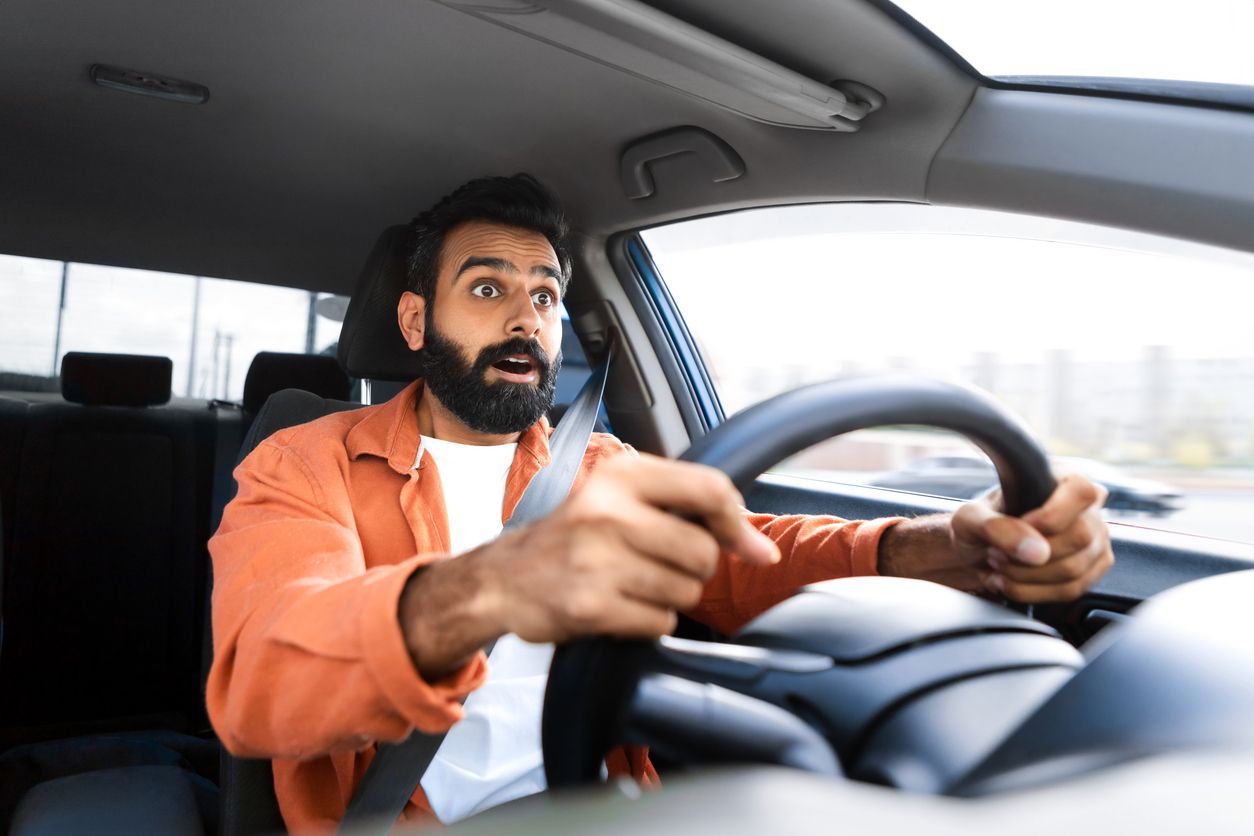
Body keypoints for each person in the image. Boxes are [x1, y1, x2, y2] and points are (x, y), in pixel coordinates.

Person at [207, 174, 1113, 832]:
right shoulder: (304, 461)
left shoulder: (596, 462)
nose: (527, 319)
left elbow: (755, 551)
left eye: (546, 296)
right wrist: (488, 588)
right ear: (415, 323)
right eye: (487, 289)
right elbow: (259, 680)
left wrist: (930, 548)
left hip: (603, 808)